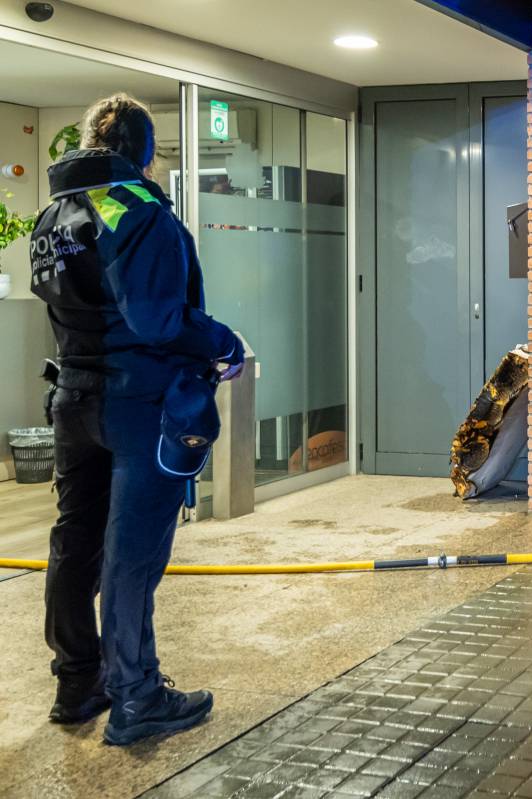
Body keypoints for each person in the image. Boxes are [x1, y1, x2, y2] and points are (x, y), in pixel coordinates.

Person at [29, 93, 244, 745]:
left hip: (73, 397)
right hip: (138, 404)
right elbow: (157, 319)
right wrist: (222, 341)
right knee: (131, 553)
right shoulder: (138, 208)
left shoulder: (53, 214)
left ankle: (77, 682)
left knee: (75, 540)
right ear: (144, 152)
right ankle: (137, 697)